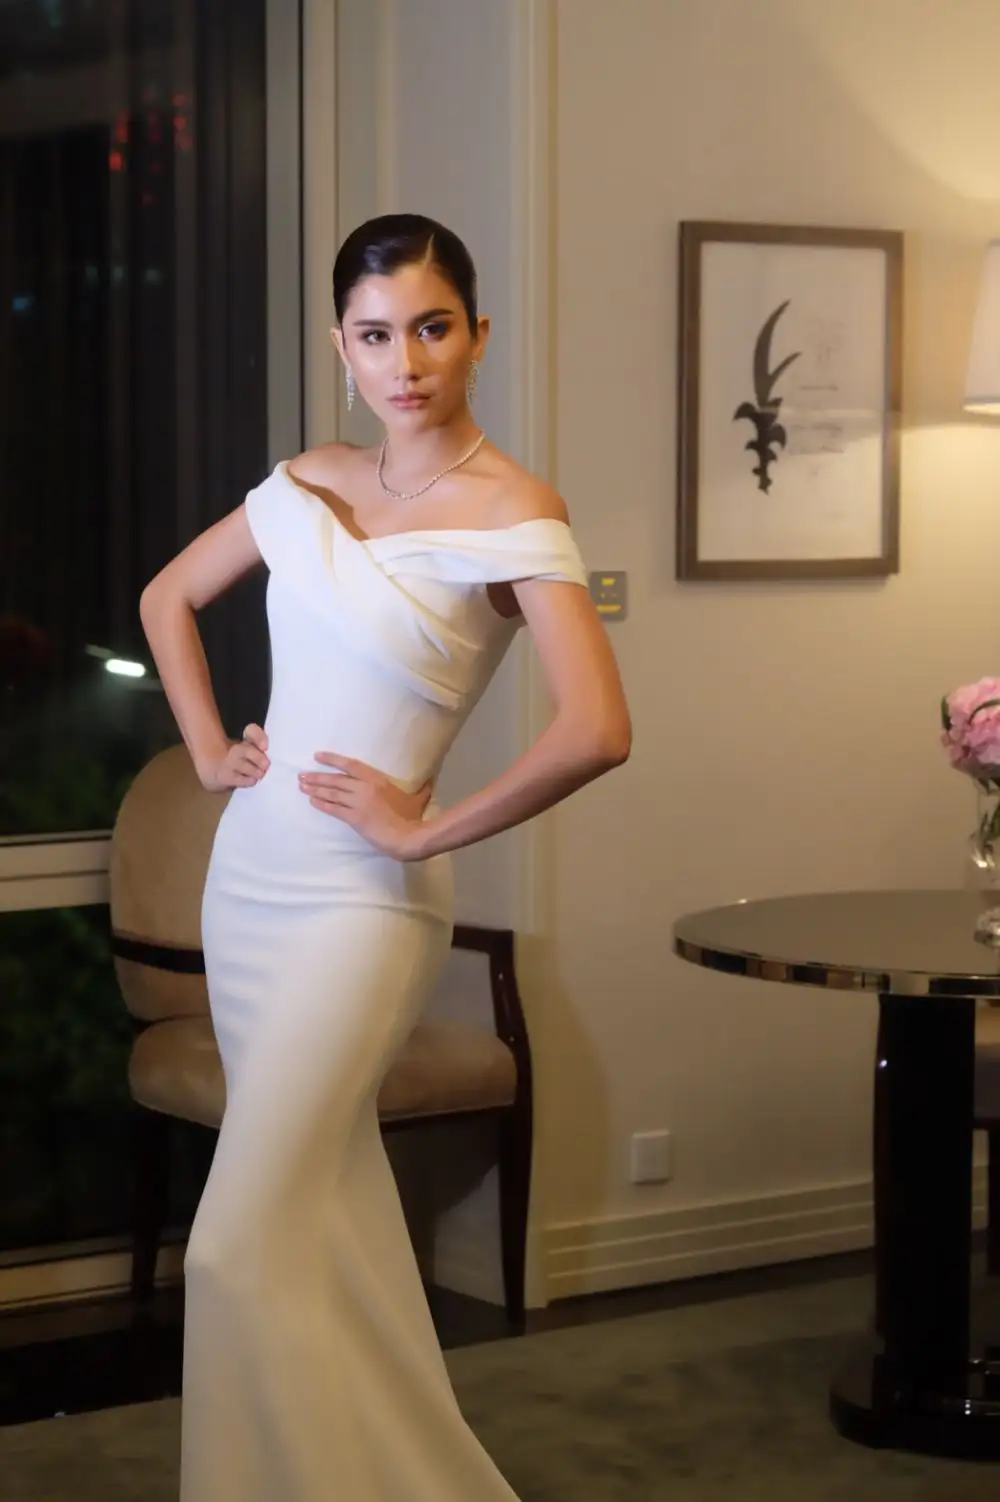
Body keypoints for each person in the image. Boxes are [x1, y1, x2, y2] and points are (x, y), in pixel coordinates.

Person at [139, 212, 631, 1502]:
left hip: (365, 905)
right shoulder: (306, 481)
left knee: (235, 1245)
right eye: (374, 335)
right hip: (250, 884)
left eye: (430, 328)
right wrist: (209, 753)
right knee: (329, 1224)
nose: (403, 362)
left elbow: (598, 728)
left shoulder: (515, 508)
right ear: (341, 347)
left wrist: (421, 827)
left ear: (477, 334)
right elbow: (165, 598)